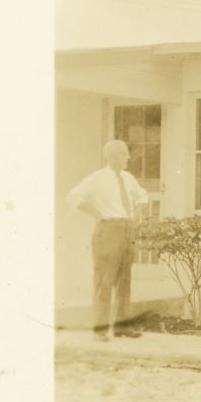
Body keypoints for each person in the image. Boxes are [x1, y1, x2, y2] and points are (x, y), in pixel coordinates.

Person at [66, 140, 149, 341]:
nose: (128, 157)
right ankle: (100, 330)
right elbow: (73, 197)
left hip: (127, 229)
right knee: (105, 281)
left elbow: (142, 195)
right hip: (109, 229)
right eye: (124, 154)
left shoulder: (128, 178)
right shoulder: (97, 179)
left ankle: (122, 327)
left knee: (125, 281)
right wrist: (97, 213)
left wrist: (139, 207)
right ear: (112, 156)